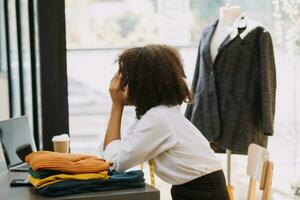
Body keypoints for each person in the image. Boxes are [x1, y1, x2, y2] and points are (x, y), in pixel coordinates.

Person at [101, 44, 229, 200]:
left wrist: (116, 106)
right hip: (199, 189)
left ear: (140, 83)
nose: (121, 85)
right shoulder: (157, 114)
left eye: (125, 78)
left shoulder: (159, 118)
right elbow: (114, 155)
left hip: (203, 193)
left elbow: (115, 164)